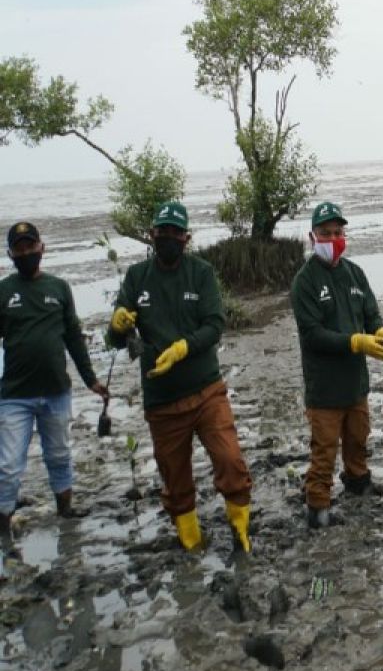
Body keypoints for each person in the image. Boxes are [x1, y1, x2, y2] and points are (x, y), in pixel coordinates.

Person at [107, 201, 253, 552]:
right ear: (152, 234)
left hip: (206, 391)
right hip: (161, 400)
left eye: (176, 232)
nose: (168, 237)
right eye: (162, 231)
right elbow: (115, 340)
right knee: (175, 478)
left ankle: (241, 531)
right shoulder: (136, 277)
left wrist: (183, 348)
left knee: (231, 460)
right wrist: (117, 324)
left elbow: (215, 325)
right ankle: (190, 539)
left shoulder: (200, 273)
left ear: (186, 237)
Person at [0, 222, 109, 544]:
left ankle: (65, 510)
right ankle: (3, 526)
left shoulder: (60, 288)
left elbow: (74, 337)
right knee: (8, 465)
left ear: (41, 248)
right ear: (10, 254)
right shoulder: (3, 291)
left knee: (59, 454)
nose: (26, 252)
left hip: (56, 392)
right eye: (19, 248)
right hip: (14, 395)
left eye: (30, 246)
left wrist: (91, 380)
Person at [291, 201, 383, 529]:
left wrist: (378, 330)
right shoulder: (304, 282)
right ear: (312, 237)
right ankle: (317, 508)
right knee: (324, 450)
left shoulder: (354, 273)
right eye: (325, 233)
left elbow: (370, 313)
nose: (333, 239)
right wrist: (354, 341)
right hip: (324, 390)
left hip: (355, 384)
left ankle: (358, 484)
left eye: (338, 232)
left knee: (359, 438)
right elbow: (313, 334)